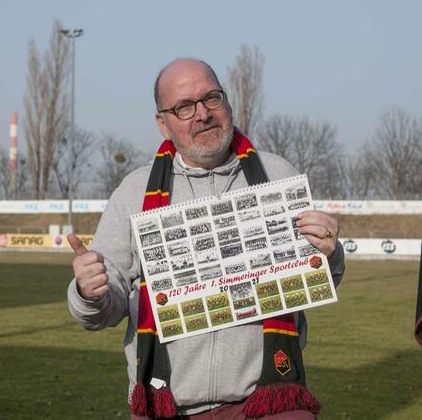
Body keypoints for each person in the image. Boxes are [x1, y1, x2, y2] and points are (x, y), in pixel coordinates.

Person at [67, 58, 345, 420]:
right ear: (162, 124)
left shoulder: (278, 175)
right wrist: (88, 293)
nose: (202, 114)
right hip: (165, 402)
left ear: (227, 104)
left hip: (266, 399)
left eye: (211, 98)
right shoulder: (134, 191)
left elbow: (316, 274)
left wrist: (331, 254)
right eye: (183, 107)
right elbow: (105, 306)